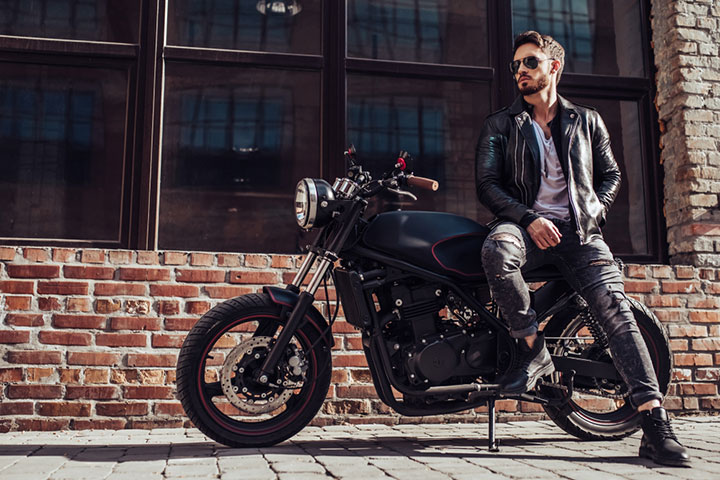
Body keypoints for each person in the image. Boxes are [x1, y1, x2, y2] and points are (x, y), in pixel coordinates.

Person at [475, 31, 690, 467]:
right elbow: (487, 185)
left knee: (615, 308)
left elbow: (611, 175)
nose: (521, 71)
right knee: (496, 253)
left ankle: (654, 424)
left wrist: (592, 214)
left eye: (530, 62)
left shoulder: (587, 120)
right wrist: (528, 219)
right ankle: (534, 350)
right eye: (517, 65)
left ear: (553, 67)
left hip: (581, 235)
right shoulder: (501, 124)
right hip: (523, 228)